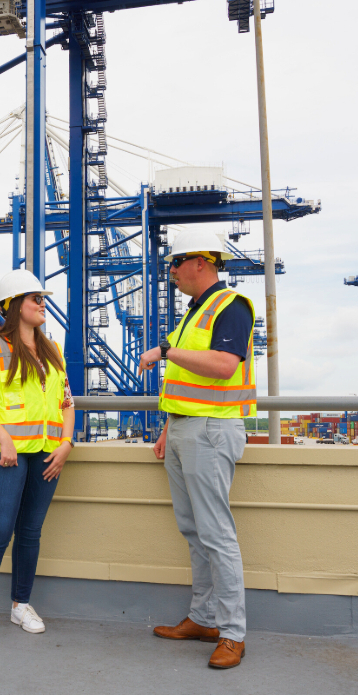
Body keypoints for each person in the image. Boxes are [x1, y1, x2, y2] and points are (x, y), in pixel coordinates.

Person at [137, 229, 255, 670]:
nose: (170, 271)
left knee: (217, 534)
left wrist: (167, 349)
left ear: (201, 262)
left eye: (176, 263)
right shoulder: (194, 313)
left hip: (212, 431)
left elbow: (225, 367)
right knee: (193, 530)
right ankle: (204, 618)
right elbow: (188, 383)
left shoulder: (231, 307)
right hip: (187, 431)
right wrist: (172, 424)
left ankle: (232, 633)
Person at [0, 269, 76, 647]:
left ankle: (20, 605)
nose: (43, 304)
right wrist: (4, 438)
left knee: (30, 533)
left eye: (43, 298)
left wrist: (67, 443)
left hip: (46, 454)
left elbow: (67, 403)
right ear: (14, 306)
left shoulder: (53, 351)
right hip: (5, 454)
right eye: (35, 299)